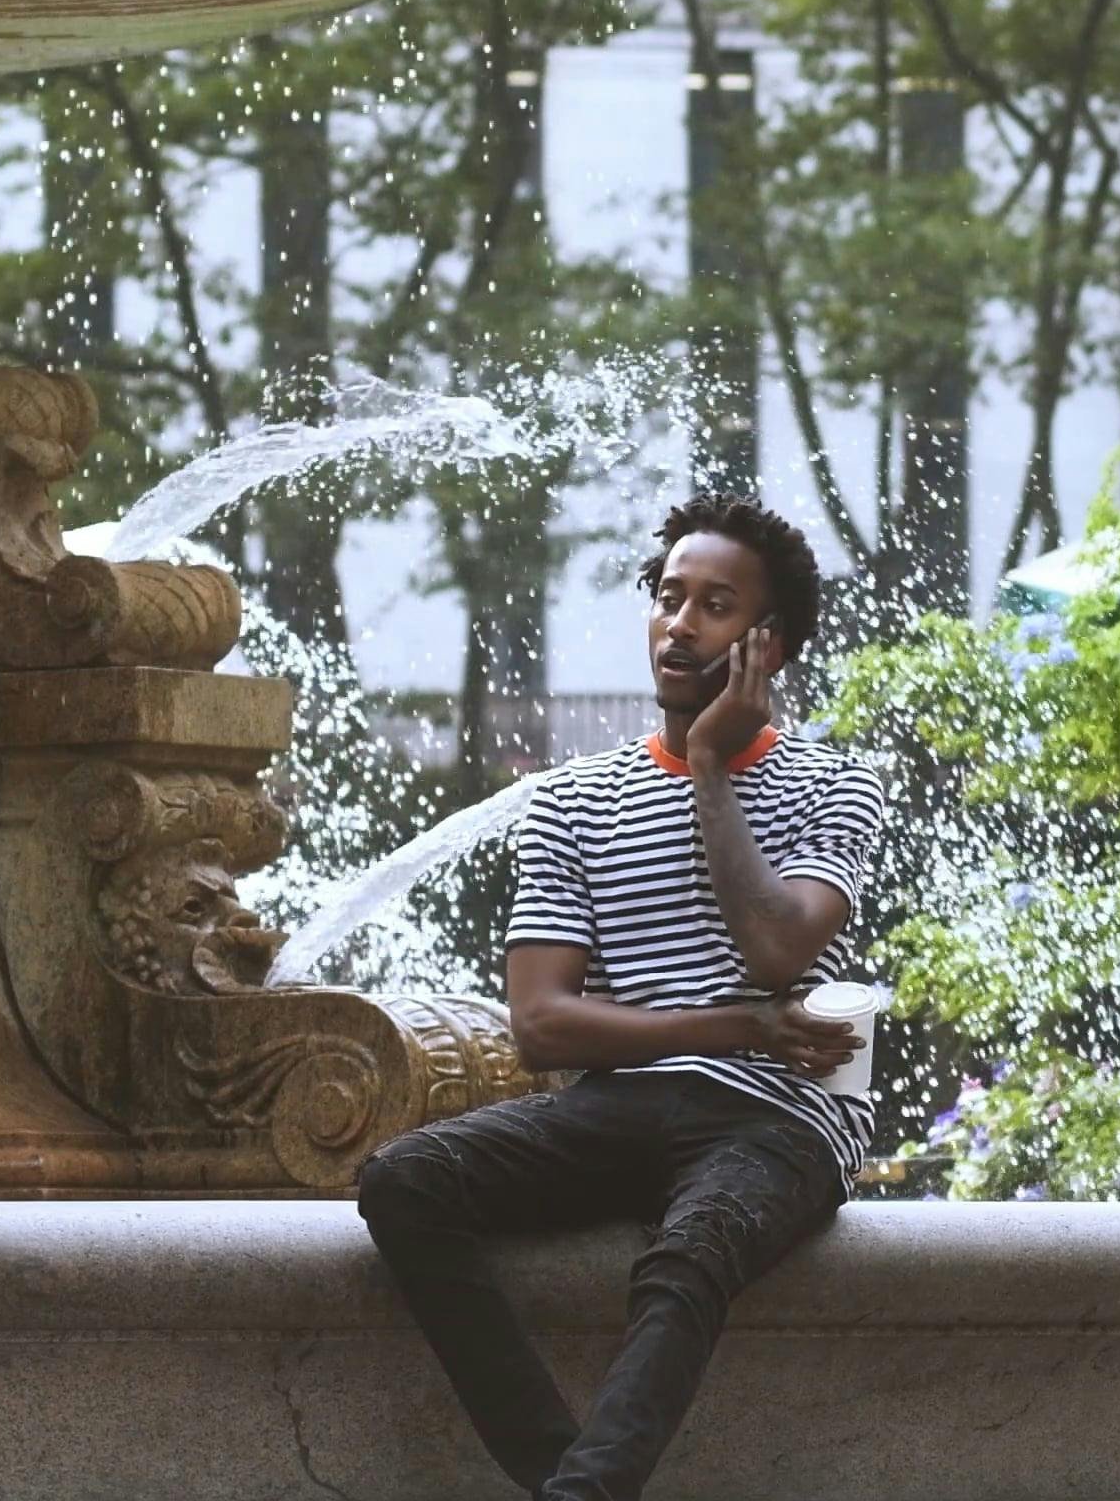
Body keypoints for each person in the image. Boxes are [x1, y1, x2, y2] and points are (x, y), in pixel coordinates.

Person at [356, 495, 887, 1501]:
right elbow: (542, 1026)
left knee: (695, 1248)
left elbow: (776, 945)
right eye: (669, 598)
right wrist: (738, 1025)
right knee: (403, 1181)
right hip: (621, 1103)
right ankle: (571, 1481)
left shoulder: (836, 786)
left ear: (769, 645)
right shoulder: (572, 801)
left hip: (780, 1117)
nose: (680, 625)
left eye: (717, 607)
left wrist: (708, 768)